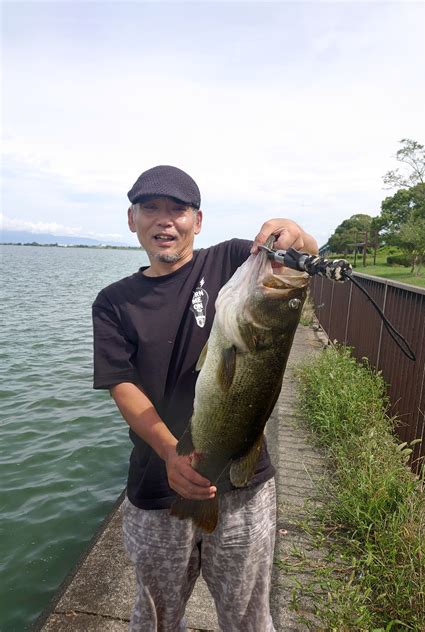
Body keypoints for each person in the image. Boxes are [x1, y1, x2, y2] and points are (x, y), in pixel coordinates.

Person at [92, 165, 318, 632]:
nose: (165, 220)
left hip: (243, 487)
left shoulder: (235, 260)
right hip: (159, 486)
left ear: (198, 220)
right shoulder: (114, 302)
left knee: (249, 619)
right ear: (131, 220)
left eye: (178, 209)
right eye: (150, 208)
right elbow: (122, 384)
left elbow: (298, 256)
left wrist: (297, 236)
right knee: (155, 620)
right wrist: (170, 451)